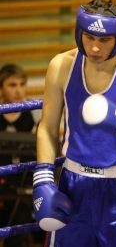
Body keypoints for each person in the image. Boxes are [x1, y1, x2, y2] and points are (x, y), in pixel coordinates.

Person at [33, 0, 116, 247]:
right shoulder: (61, 65)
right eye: (89, 37)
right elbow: (47, 127)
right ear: (79, 32)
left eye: (104, 40)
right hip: (73, 184)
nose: (94, 48)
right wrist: (43, 176)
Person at [0, 64, 42, 246]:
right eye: (12, 85)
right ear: (1, 88)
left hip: (26, 182)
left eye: (22, 84)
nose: (18, 90)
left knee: (20, 216)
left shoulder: (35, 111)